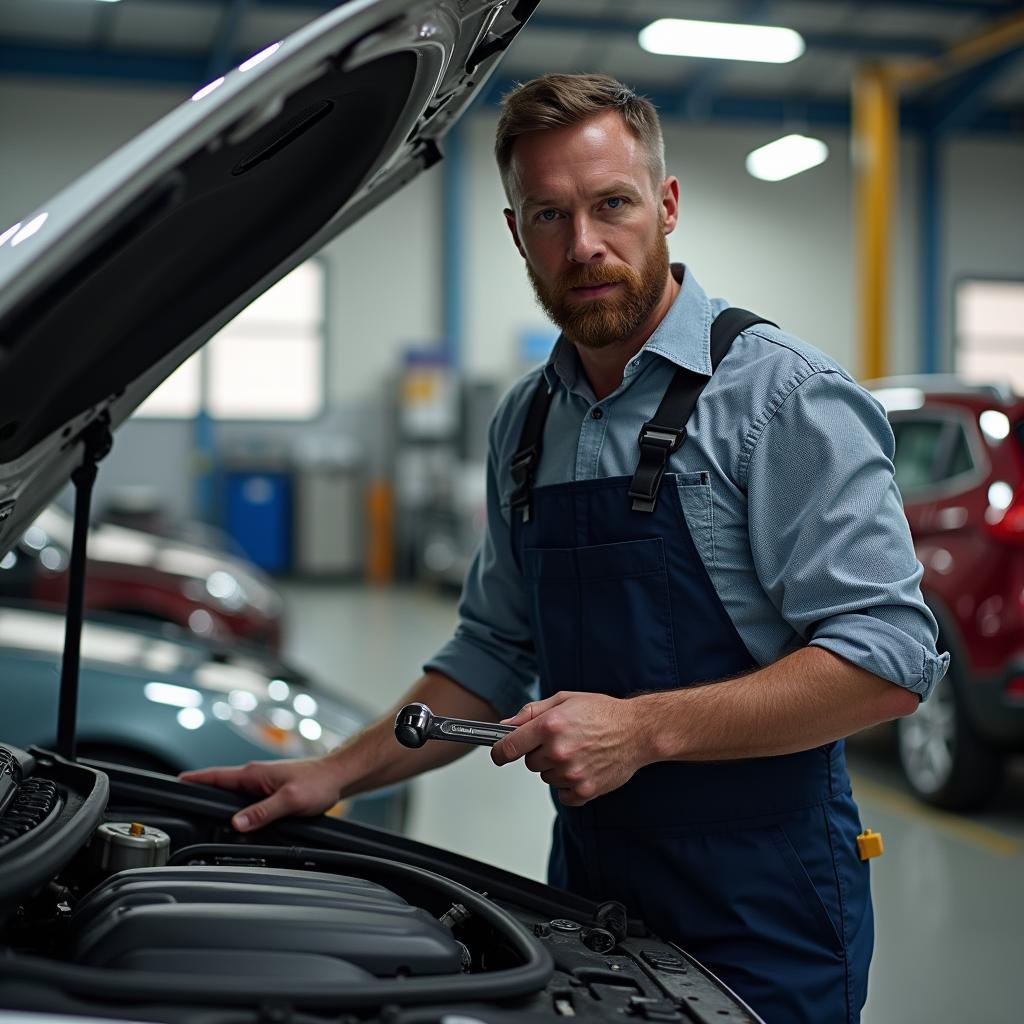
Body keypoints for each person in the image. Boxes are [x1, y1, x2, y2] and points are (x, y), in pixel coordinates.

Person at [181, 73, 948, 1022]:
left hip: (765, 911)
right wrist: (332, 774)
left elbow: (887, 660)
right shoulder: (528, 424)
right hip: (588, 900)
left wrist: (640, 730)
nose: (583, 246)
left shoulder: (784, 402)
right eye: (548, 215)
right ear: (516, 233)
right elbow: (492, 653)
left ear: (666, 206)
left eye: (612, 204)